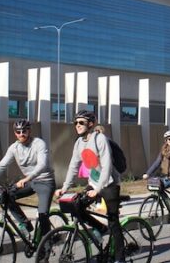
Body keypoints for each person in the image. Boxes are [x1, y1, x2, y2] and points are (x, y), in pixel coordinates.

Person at [55, 110, 124, 262]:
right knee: (77, 206)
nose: (77, 125)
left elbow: (106, 165)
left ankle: (120, 258)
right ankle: (100, 228)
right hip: (94, 183)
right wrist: (64, 188)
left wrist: (98, 189)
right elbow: (73, 166)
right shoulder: (79, 143)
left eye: (81, 122)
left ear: (91, 124)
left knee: (113, 221)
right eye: (76, 123)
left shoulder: (100, 139)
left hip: (109, 183)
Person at [0, 119, 56, 239]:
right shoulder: (14, 148)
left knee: (42, 215)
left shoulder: (39, 144)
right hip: (30, 181)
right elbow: (2, 165)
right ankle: (25, 224)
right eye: (18, 131)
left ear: (29, 131)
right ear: (15, 133)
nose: (21, 134)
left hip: (45, 182)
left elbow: (42, 165)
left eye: (24, 131)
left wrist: (27, 178)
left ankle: (46, 248)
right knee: (6, 195)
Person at [142, 130, 170, 229]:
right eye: (169, 139)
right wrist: (147, 173)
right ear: (166, 141)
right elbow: (157, 163)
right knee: (158, 187)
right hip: (169, 177)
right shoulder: (164, 151)